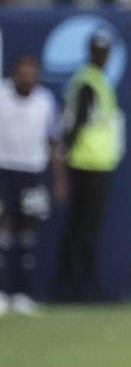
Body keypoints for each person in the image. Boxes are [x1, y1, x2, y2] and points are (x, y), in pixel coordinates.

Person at [56, 30, 124, 301]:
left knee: (82, 227)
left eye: (105, 51)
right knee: (83, 228)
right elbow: (78, 123)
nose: (103, 56)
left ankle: (75, 285)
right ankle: (78, 287)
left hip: (94, 163)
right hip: (88, 164)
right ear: (91, 52)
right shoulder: (88, 82)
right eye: (99, 51)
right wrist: (65, 156)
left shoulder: (94, 80)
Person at [0, 55, 65, 315]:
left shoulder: (45, 101)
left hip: (32, 171)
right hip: (4, 169)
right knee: (4, 231)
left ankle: (23, 294)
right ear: (14, 74)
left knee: (26, 233)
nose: (27, 78)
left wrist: (59, 178)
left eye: (32, 73)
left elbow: (53, 141)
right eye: (22, 73)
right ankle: (2, 292)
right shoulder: (2, 96)